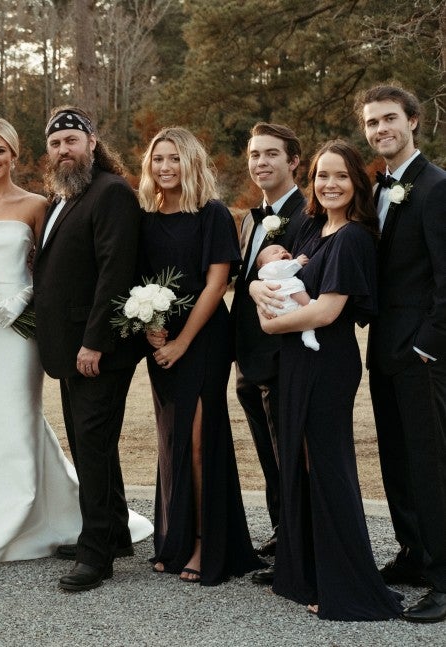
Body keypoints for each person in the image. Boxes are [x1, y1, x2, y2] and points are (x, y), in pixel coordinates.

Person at [0, 119, 153, 566]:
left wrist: (21, 298)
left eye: (0, 150)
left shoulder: (41, 203)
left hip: (21, 326)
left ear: (15, 154)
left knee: (20, 413)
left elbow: (47, 267)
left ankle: (32, 513)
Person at [252, 139, 403, 620]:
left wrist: (270, 325)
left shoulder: (353, 237)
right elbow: (273, 273)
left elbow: (326, 311)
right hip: (297, 362)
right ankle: (309, 574)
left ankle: (347, 586)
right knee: (301, 464)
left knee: (327, 468)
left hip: (328, 365)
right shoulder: (312, 228)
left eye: (340, 176)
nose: (329, 184)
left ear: (356, 182)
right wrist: (255, 288)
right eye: (322, 175)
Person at [138, 126, 262, 585]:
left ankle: (206, 544)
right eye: (158, 158)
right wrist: (149, 326)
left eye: (174, 158)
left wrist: (182, 341)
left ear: (191, 163)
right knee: (170, 438)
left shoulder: (212, 214)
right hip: (161, 338)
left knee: (197, 440)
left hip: (203, 337)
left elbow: (216, 284)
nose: (165, 167)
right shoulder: (145, 216)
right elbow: (140, 279)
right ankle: (174, 539)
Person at [32, 106, 143, 592]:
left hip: (97, 349)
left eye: (71, 141)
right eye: (56, 144)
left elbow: (116, 271)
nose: (63, 150)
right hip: (68, 347)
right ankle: (113, 531)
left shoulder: (112, 192)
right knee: (88, 444)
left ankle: (96, 555)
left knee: (93, 447)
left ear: (92, 143)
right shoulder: (62, 196)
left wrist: (95, 342)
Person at [358, 84, 446, 623]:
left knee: (432, 467)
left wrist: (427, 348)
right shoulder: (377, 189)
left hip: (422, 357)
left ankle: (444, 578)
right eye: (372, 122)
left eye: (389, 118)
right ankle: (414, 553)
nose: (380, 129)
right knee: (396, 460)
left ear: (413, 121)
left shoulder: (436, 188)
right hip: (383, 350)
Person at [229, 122, 307, 565]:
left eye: (272, 154)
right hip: (248, 356)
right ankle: (282, 532)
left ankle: (297, 544)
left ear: (293, 161)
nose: (261, 162)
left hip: (284, 354)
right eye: (255, 154)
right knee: (267, 452)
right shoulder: (248, 219)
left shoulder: (309, 215)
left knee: (289, 452)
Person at [254, 245, 318, 351]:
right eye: (275, 252)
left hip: (282, 307)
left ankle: (308, 335)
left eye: (285, 250)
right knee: (296, 290)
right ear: (264, 264)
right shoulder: (270, 268)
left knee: (305, 320)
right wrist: (297, 262)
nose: (283, 252)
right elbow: (282, 269)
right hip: (283, 299)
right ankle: (310, 305)